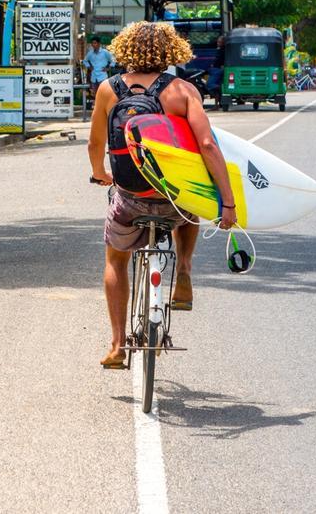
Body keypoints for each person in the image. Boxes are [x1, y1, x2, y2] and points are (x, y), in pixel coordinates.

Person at [87, 21, 237, 370]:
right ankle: (183, 269)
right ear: (172, 51)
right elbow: (206, 145)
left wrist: (100, 174)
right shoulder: (182, 91)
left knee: (115, 260)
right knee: (190, 209)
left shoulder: (108, 91)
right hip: (172, 198)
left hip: (129, 196)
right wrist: (226, 202)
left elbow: (96, 144)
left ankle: (117, 344)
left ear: (125, 49)